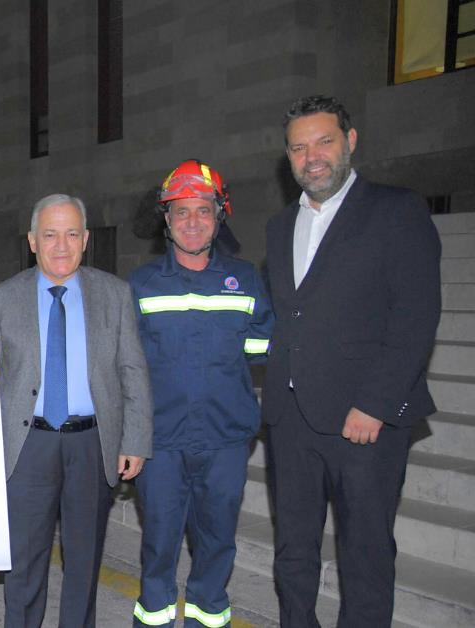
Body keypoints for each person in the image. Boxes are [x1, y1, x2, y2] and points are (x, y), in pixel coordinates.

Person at [264, 95, 441, 627]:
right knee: (293, 550)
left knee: (364, 553)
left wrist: (375, 404)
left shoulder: (396, 210)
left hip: (363, 422)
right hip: (290, 419)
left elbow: (415, 317)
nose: (312, 156)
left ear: (351, 141)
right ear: (288, 157)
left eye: (324, 141)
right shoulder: (279, 226)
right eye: (299, 148)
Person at [0, 194, 153, 627]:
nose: (61, 246)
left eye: (71, 234)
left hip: (92, 445)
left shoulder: (114, 294)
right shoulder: (2, 299)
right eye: (50, 235)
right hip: (26, 446)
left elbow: (133, 369)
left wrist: (135, 440)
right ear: (32, 241)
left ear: (85, 240)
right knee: (23, 564)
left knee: (84, 561)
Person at [128, 160, 273, 627]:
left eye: (203, 210)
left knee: (217, 542)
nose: (192, 221)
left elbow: (262, 349)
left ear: (219, 216)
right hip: (161, 442)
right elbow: (126, 369)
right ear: (166, 220)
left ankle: (209, 618)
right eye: (181, 211)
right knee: (159, 542)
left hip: (225, 439)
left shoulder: (246, 280)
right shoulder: (141, 285)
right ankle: (154, 618)